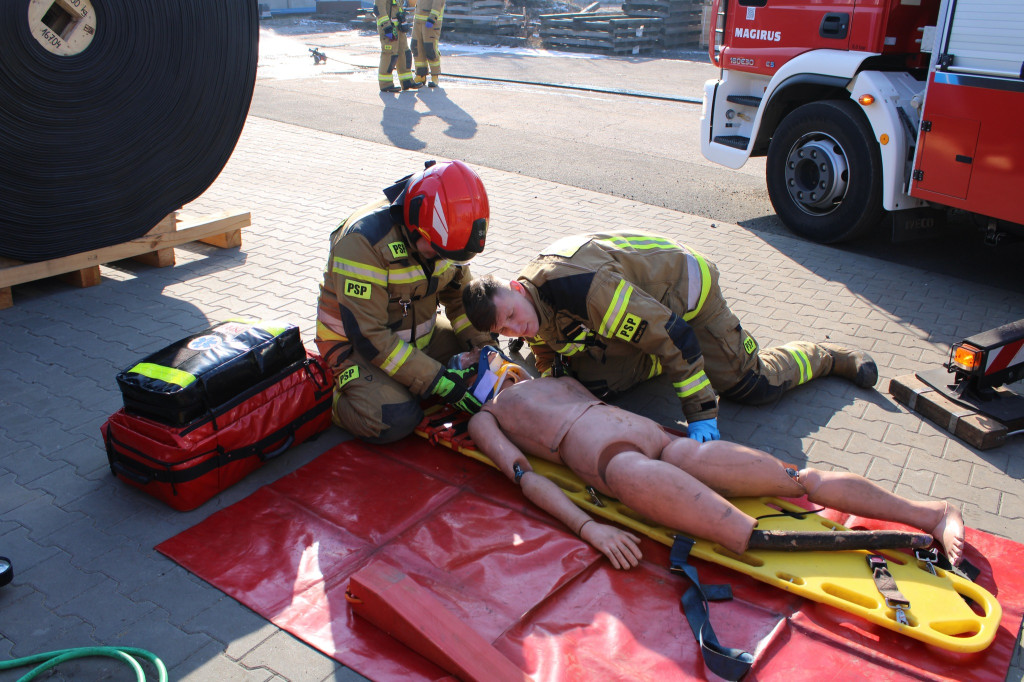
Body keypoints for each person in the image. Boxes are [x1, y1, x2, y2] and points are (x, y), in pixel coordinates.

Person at [459, 348, 964, 570]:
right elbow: (526, 478)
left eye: (488, 352)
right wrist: (588, 527)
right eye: (477, 361)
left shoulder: (548, 376)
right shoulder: (487, 417)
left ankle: (932, 512)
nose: (493, 360)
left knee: (798, 480)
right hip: (618, 462)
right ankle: (905, 530)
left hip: (659, 440)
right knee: (744, 534)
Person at [461, 231, 879, 443]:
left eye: (513, 316)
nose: (517, 329)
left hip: (687, 299)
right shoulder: (533, 304)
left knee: (751, 386)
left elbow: (674, 336)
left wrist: (700, 414)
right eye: (506, 329)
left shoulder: (585, 289)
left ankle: (830, 356)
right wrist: (553, 383)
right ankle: (657, 364)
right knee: (595, 385)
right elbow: (546, 344)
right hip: (646, 308)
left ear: (515, 289)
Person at [315, 160, 493, 443]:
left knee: (480, 369)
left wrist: (484, 348)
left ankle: (409, 380)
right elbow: (369, 334)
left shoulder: (447, 237)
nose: (442, 260)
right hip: (356, 349)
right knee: (394, 419)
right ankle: (332, 397)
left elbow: (461, 300)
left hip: (417, 339)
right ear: (414, 226)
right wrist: (436, 379)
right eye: (436, 251)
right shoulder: (363, 242)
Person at [375, 0, 420, 91]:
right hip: (388, 28)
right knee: (389, 55)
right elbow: (378, 9)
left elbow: (398, 7)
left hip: (398, 28)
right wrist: (386, 26)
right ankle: (385, 84)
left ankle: (406, 81)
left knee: (404, 53)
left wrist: (403, 22)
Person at [411, 0, 445, 87]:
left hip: (430, 22)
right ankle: (420, 75)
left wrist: (432, 17)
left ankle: (435, 76)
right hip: (418, 21)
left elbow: (438, 3)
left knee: (430, 48)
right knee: (416, 47)